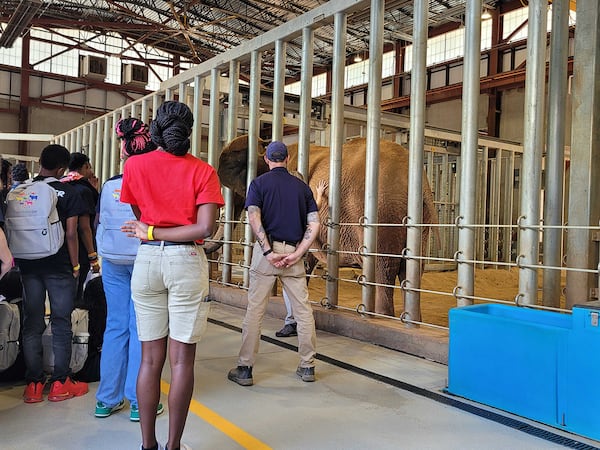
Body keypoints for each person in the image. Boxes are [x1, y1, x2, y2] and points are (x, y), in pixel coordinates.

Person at [120, 101, 224, 450]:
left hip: (147, 263)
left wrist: (152, 232)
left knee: (150, 360)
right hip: (186, 263)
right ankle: (173, 446)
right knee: (182, 361)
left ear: (155, 130)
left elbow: (141, 216)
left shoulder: (135, 166)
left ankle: (146, 444)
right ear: (190, 131)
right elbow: (206, 228)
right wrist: (161, 231)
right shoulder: (204, 171)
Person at [228, 140, 320, 386]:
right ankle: (307, 366)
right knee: (303, 312)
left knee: (255, 311)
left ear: (267, 160)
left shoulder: (258, 184)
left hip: (266, 254)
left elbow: (254, 218)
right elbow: (314, 224)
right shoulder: (302, 188)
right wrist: (298, 253)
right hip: (294, 254)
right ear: (288, 159)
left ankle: (245, 369)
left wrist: (268, 251)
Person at [94, 117, 164, 422]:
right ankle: (138, 401)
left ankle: (106, 399)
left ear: (123, 150)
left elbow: (99, 222)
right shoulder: (152, 180)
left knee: (115, 325)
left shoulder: (109, 184)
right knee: (141, 329)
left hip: (111, 260)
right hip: (142, 258)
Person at [18, 144, 89, 403]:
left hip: (28, 266)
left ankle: (33, 385)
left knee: (32, 323)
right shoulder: (68, 192)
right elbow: (72, 233)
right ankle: (61, 383)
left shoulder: (20, 190)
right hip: (58, 266)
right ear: (62, 169)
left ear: (40, 162)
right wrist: (76, 265)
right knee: (61, 322)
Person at [276, 178, 328, 338]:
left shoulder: (283, 201)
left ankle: (293, 322)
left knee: (292, 288)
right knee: (296, 288)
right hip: (295, 250)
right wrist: (319, 195)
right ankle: (298, 323)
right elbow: (315, 208)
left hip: (288, 250)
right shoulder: (299, 202)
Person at [61, 152, 100, 307]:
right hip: (80, 251)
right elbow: (85, 227)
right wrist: (93, 256)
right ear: (85, 166)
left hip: (58, 248)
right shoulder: (84, 190)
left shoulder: (60, 185)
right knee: (76, 294)